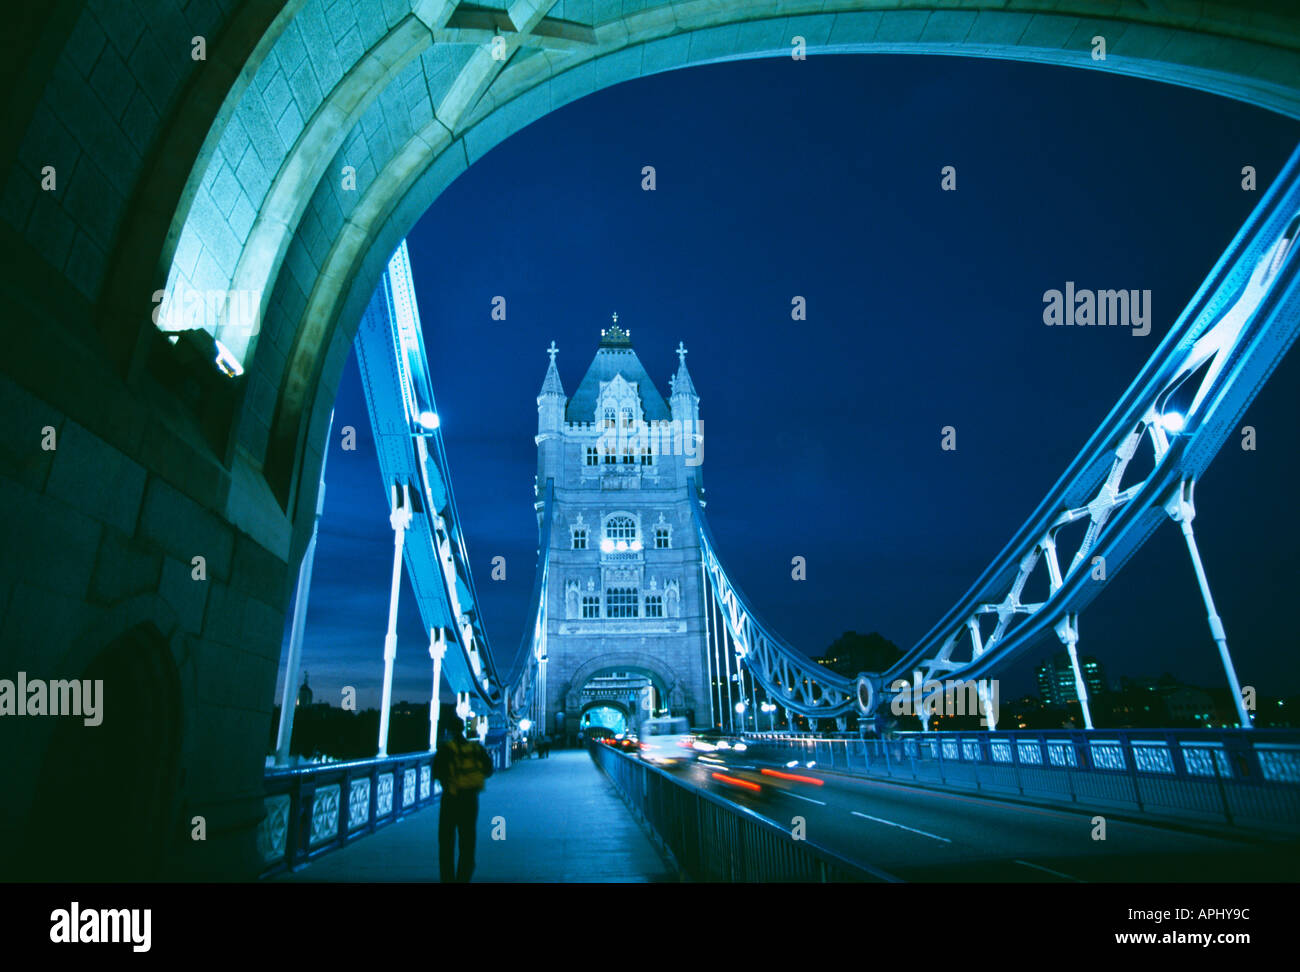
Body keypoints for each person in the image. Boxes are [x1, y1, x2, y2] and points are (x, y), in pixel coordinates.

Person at [433, 715, 494, 882]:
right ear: (464, 728)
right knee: (467, 841)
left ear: (450, 730)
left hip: (450, 800)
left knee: (446, 842)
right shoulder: (475, 749)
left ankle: (447, 878)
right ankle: (464, 877)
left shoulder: (445, 749)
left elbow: (436, 773)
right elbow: (489, 770)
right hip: (470, 800)